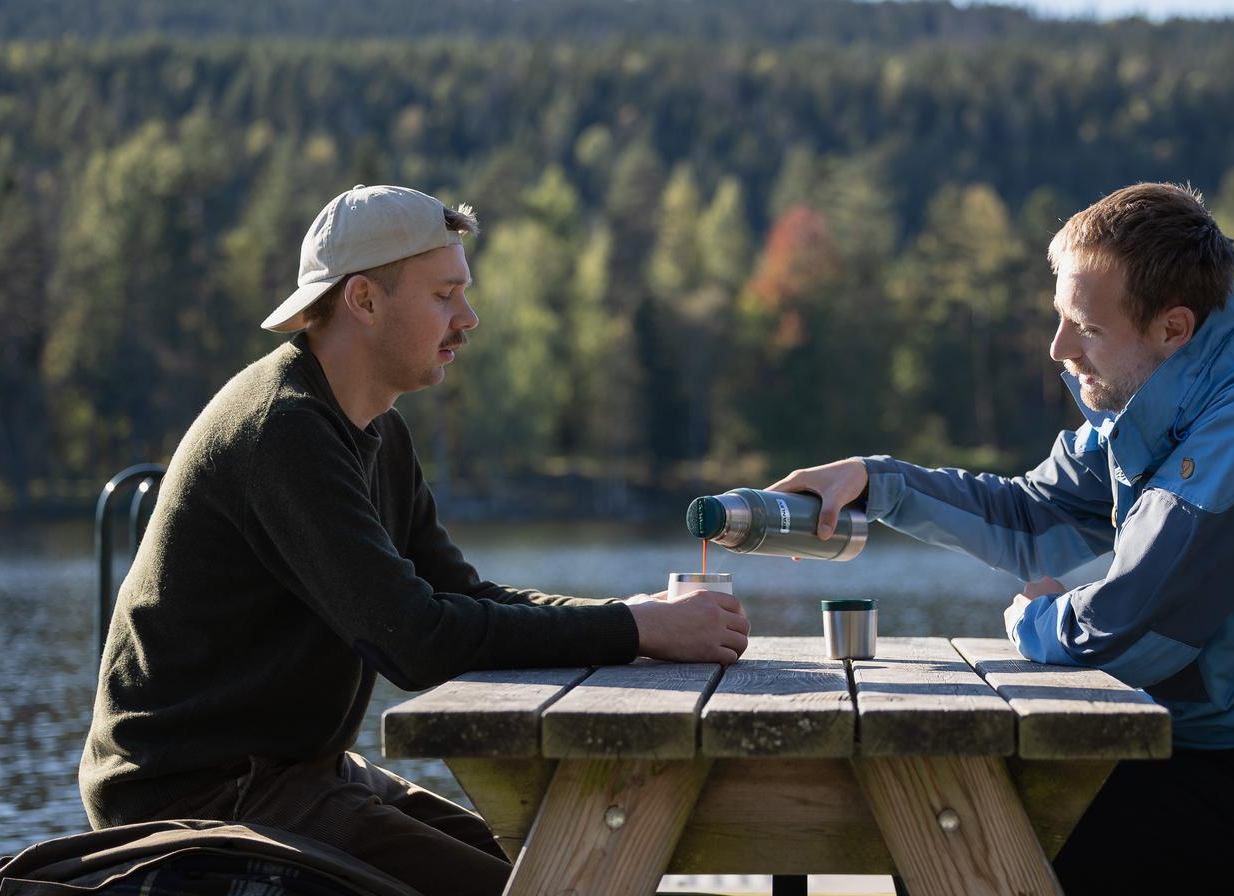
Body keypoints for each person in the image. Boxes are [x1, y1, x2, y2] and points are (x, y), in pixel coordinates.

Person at [79, 185, 751, 896]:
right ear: (364, 301)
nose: (468, 318)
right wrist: (632, 626)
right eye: (444, 295)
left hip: (291, 773)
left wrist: (634, 621)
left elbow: (461, 596)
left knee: (543, 871)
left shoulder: (377, 431)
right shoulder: (284, 429)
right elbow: (416, 640)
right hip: (192, 799)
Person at [773, 183, 1234, 895]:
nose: (1058, 348)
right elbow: (1030, 518)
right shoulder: (1151, 408)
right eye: (1059, 319)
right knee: (939, 813)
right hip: (1216, 764)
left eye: (1085, 326)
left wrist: (1033, 620)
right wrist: (875, 481)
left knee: (958, 825)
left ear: (1173, 328)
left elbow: (1135, 630)